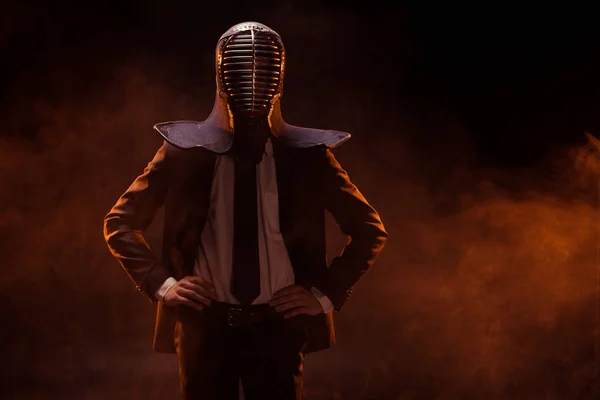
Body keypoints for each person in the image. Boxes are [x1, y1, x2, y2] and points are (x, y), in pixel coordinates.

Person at [103, 21, 387, 399]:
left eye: (261, 69)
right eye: (240, 69)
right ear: (222, 77)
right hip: (204, 327)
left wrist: (324, 293)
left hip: (278, 328)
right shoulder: (184, 154)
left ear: (278, 77)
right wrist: (163, 284)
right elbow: (119, 223)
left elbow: (369, 230)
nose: (250, 82)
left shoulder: (308, 159)